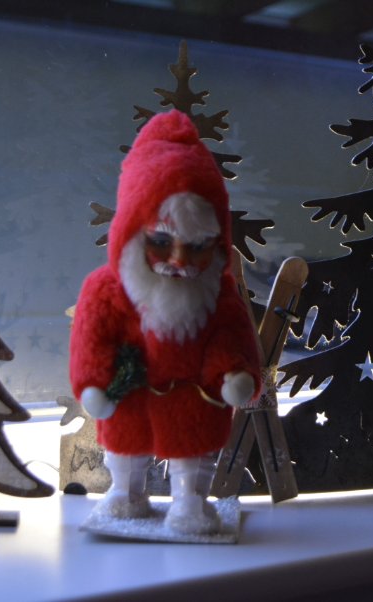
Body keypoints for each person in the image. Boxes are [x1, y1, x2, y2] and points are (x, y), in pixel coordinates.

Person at [69, 110, 261, 534]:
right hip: (131, 391)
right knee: (126, 442)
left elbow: (231, 339)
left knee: (193, 444)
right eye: (160, 241)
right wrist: (94, 382)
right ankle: (125, 493)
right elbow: (92, 338)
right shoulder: (107, 289)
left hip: (192, 395)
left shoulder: (218, 294)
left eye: (197, 247)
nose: (178, 261)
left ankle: (190, 502)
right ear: (132, 233)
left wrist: (233, 373)